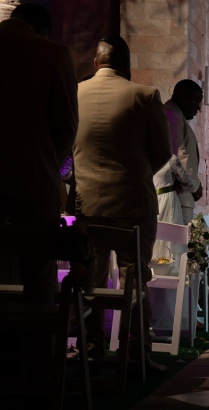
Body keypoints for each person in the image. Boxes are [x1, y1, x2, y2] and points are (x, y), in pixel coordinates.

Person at [0, 3, 78, 303]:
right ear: (43, 29)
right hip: (34, 183)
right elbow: (67, 127)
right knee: (38, 275)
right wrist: (48, 164)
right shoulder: (54, 54)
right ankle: (38, 347)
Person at [72, 35, 172, 370]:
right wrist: (136, 174)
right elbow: (162, 152)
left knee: (91, 278)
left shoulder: (76, 93)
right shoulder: (144, 96)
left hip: (87, 205)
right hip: (133, 206)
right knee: (134, 279)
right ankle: (136, 353)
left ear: (96, 62)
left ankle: (91, 346)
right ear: (126, 65)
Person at [164, 79, 204, 225]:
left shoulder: (176, 115)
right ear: (182, 97)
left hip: (181, 193)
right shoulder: (170, 114)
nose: (198, 108)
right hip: (178, 193)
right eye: (196, 102)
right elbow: (178, 154)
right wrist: (194, 184)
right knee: (181, 244)